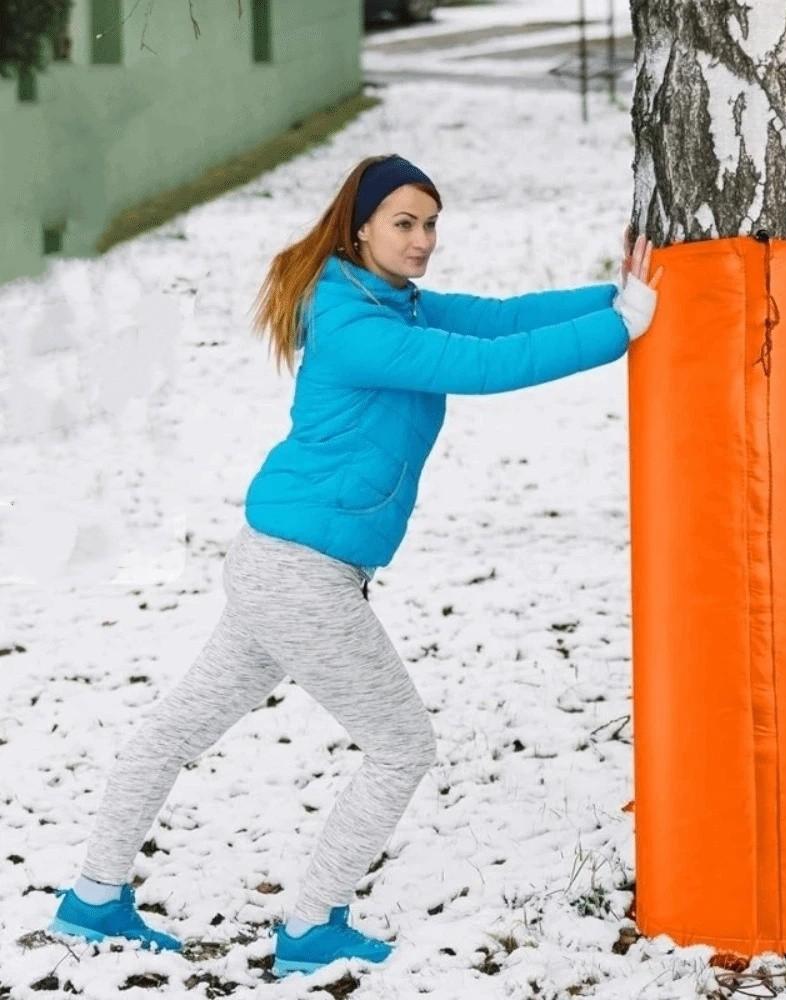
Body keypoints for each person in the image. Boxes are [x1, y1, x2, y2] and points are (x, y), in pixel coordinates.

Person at [48, 154, 662, 978]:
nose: (422, 240)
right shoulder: (353, 324)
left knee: (175, 732)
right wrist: (621, 331)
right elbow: (484, 367)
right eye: (404, 223)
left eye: (431, 224)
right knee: (403, 745)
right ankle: (312, 927)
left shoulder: (391, 302)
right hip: (298, 574)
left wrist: (612, 296)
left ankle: (92, 898)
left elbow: (501, 320)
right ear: (361, 227)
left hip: (280, 565)